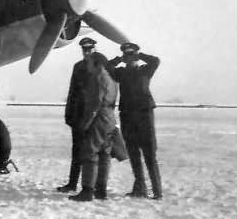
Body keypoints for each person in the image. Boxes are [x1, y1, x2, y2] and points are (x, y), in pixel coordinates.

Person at [107, 42, 162, 199]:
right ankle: (140, 189)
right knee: (134, 155)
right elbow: (107, 66)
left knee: (150, 155)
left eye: (132, 55)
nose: (130, 58)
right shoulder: (121, 73)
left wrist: (140, 56)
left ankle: (157, 192)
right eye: (127, 55)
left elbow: (155, 61)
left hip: (144, 116)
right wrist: (119, 59)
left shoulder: (145, 70)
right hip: (128, 116)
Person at [69, 51, 118, 202]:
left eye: (89, 62)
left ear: (96, 64)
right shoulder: (111, 78)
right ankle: (101, 191)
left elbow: (95, 103)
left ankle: (87, 191)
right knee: (105, 154)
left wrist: (86, 123)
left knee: (90, 152)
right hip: (109, 118)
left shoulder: (97, 78)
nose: (87, 65)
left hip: (98, 119)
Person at [56, 37, 97, 193]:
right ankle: (72, 184)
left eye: (89, 49)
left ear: (94, 49)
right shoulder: (78, 66)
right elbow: (72, 91)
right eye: (84, 49)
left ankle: (93, 187)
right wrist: (69, 114)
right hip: (79, 117)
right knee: (77, 152)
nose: (87, 52)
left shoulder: (100, 66)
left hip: (93, 117)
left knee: (93, 153)